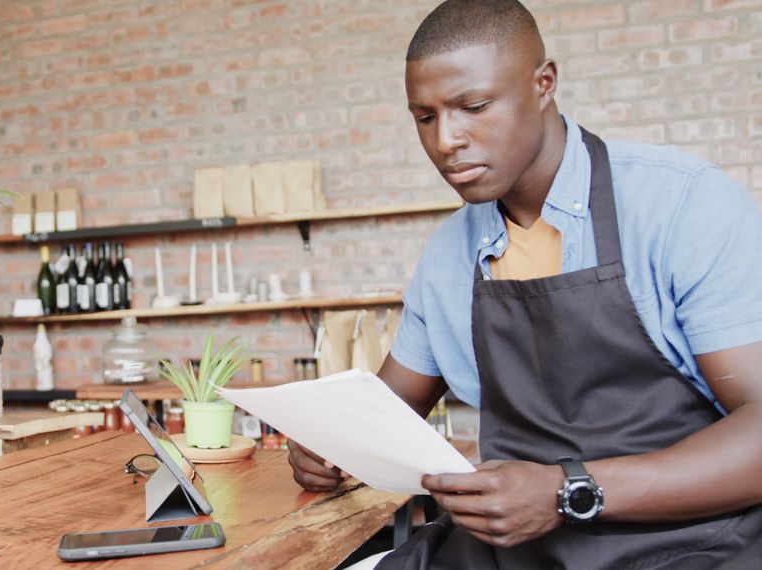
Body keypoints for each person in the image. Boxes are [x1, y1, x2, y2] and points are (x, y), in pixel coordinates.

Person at [287, 0, 762, 568]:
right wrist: (329, 448)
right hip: (511, 551)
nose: (447, 140)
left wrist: (565, 491)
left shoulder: (683, 206)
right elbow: (384, 414)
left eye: (474, 106)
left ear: (543, 84)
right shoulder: (448, 255)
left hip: (688, 544)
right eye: (425, 117)